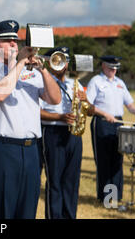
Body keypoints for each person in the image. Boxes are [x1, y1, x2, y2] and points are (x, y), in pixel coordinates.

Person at [0, 20, 61, 219]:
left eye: (16, 41)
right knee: (3, 213)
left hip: (31, 150)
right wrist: (20, 63)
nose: (14, 45)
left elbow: (55, 99)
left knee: (27, 211)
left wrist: (44, 70)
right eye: (8, 41)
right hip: (2, 150)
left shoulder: (31, 71)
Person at [40, 47, 94, 219]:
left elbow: (90, 111)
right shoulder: (42, 82)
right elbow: (35, 112)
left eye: (66, 60)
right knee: (55, 181)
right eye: (58, 60)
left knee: (71, 181)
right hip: (53, 131)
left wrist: (86, 101)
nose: (63, 64)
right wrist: (60, 116)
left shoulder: (74, 83)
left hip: (74, 134)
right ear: (49, 62)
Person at [86, 55, 135, 204]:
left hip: (118, 123)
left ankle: (116, 196)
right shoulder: (96, 81)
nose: (114, 70)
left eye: (116, 68)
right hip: (102, 122)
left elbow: (129, 104)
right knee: (104, 160)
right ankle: (106, 197)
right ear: (103, 66)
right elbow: (88, 105)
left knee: (117, 160)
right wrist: (104, 114)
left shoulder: (120, 83)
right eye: (111, 68)